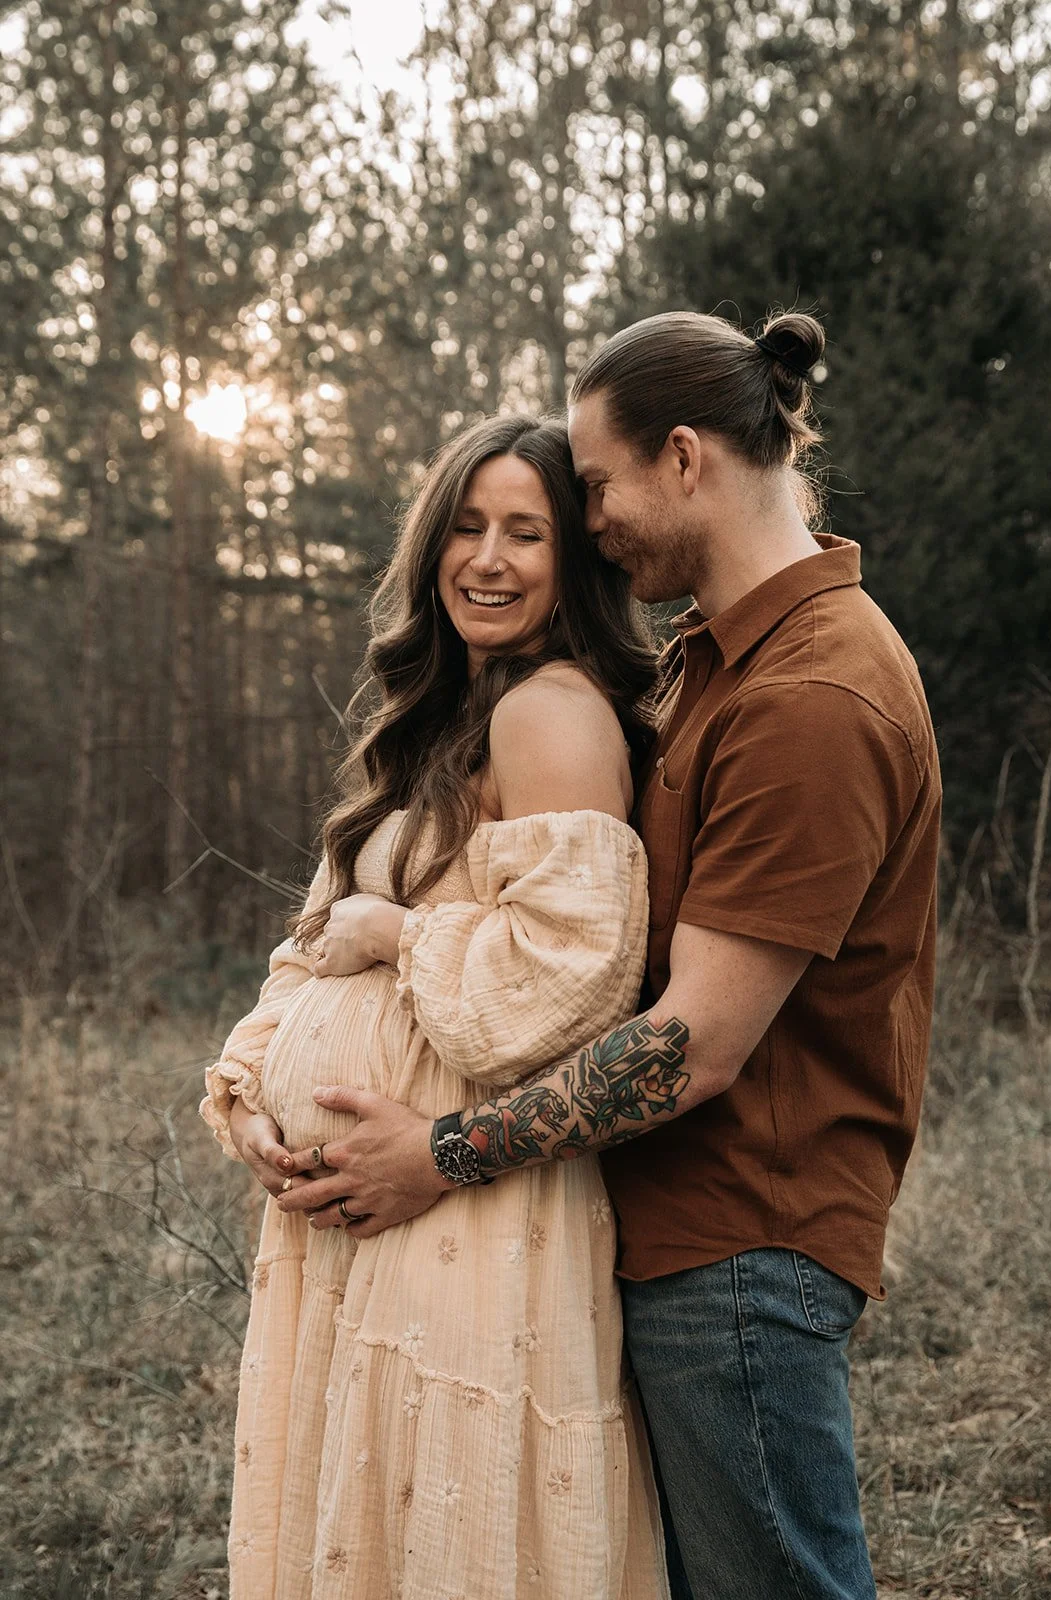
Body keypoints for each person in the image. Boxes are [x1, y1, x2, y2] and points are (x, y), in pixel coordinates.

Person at [280, 311, 942, 1600]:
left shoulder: (813, 695)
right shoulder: (713, 663)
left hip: (739, 1246)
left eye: (590, 487)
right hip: (667, 1236)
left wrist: (440, 1154)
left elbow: (692, 1044)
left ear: (683, 457)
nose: (587, 523)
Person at [201, 413, 670, 1599]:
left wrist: (403, 933)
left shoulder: (548, 711)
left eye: (525, 531)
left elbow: (574, 978)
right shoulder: (430, 724)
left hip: (471, 1205)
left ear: (574, 557)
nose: (488, 558)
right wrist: (250, 1094)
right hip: (354, 1210)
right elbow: (310, 951)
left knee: (448, 1537)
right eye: (465, 526)